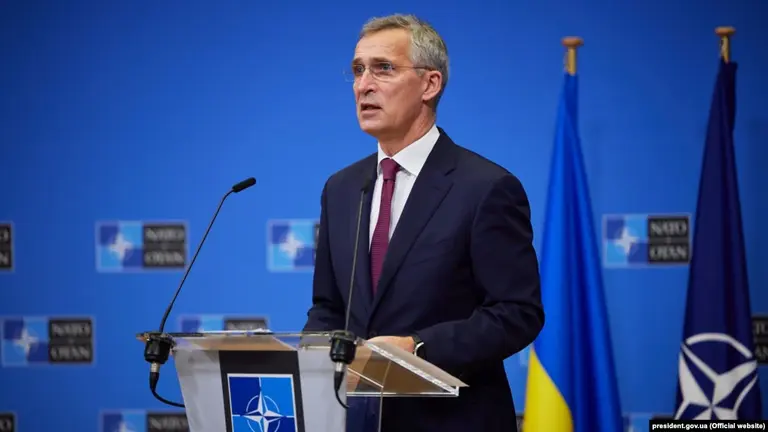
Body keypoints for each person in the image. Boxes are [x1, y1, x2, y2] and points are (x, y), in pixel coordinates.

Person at [303, 13, 544, 432]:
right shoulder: (341, 188)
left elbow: (516, 312)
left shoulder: (486, 187)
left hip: (453, 421)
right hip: (356, 419)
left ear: (430, 84)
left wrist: (417, 348)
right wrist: (310, 364)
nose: (363, 85)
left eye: (383, 68)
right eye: (358, 70)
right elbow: (329, 308)